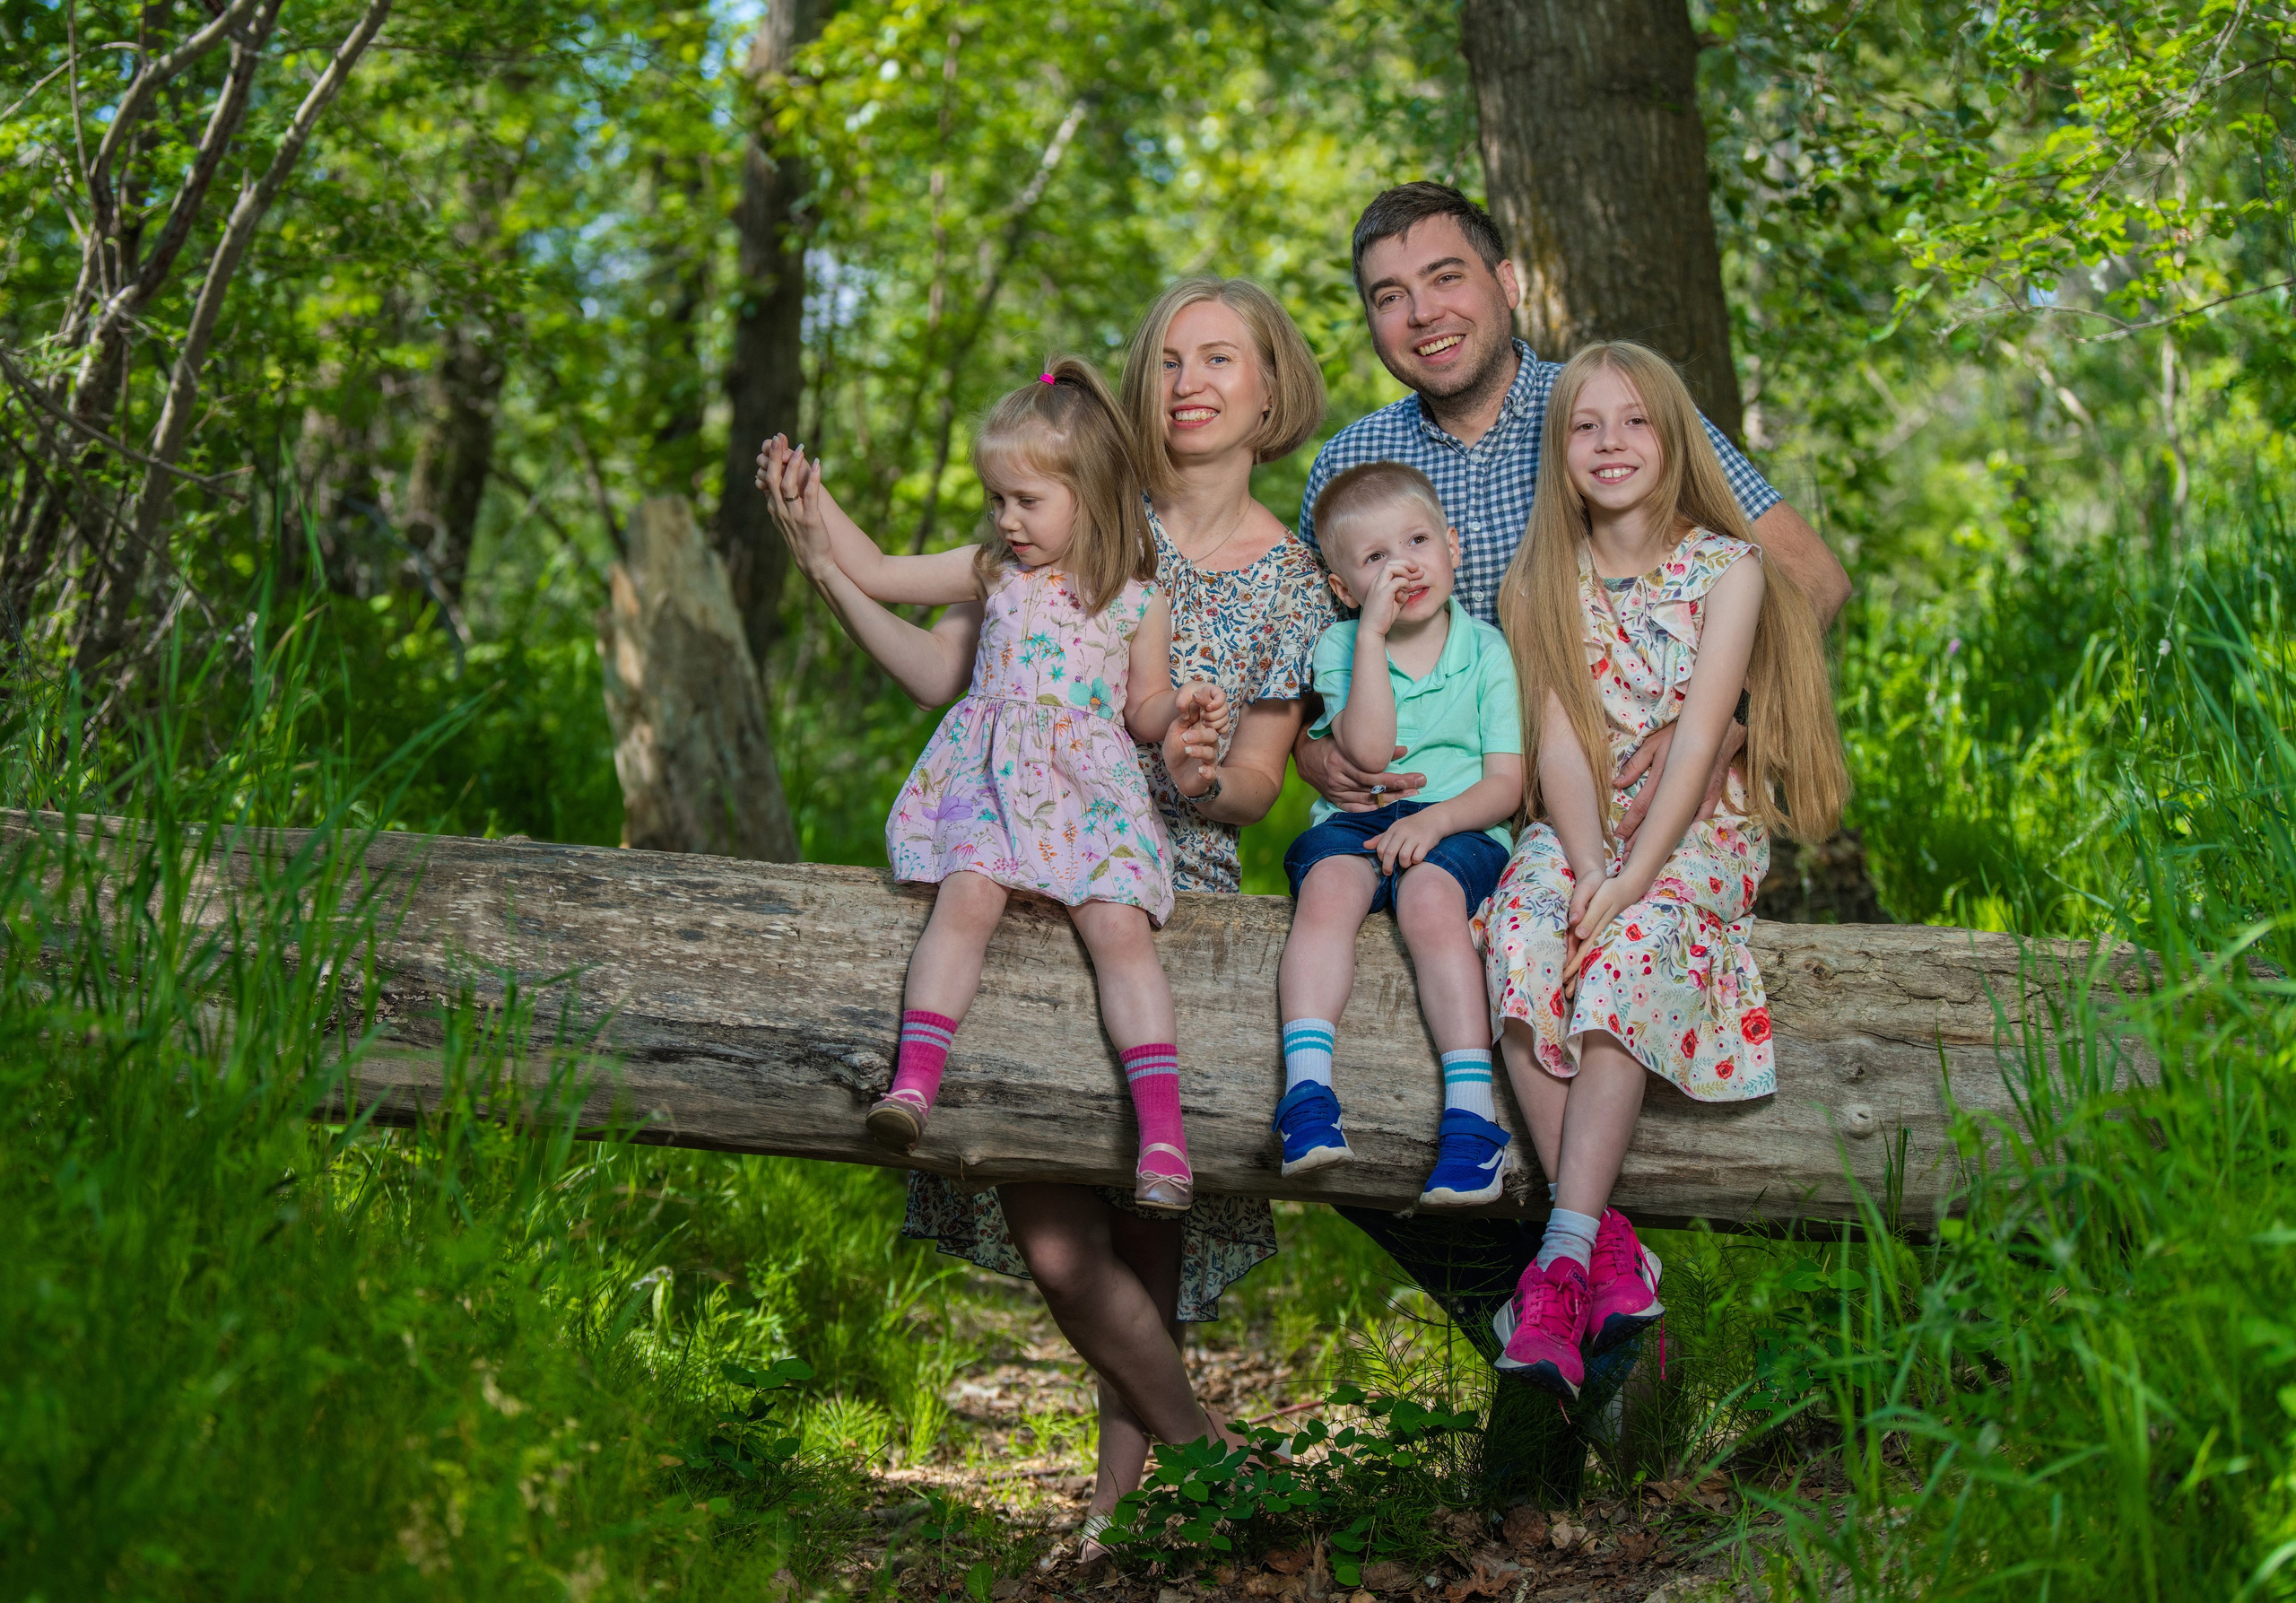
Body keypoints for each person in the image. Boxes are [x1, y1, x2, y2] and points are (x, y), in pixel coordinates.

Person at [814, 278, 1334, 1558]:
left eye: (1221, 358)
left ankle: (1118, 1508)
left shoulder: (1290, 579)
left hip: (1163, 888)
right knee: (1056, 1240)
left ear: (1272, 387)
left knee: (1146, 1234)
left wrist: (1199, 764)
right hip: (1004, 862)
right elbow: (947, 661)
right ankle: (1207, 1459)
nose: (1190, 383)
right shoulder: (1066, 492)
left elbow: (1256, 782)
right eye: (1170, 359)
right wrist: (823, 546)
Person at [756, 359, 1231, 1213]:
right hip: (994, 780)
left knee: (1120, 927)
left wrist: (1185, 707)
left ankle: (1164, 1135)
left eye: (1026, 500)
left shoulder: (1137, 600)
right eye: (997, 499)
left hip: (1090, 793)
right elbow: (879, 569)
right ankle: (913, 1083)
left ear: (1092, 494)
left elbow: (1144, 707)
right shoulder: (992, 572)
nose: (1007, 519)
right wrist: (812, 502)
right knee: (968, 892)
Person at [1477, 341, 1849, 1401]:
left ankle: (1554, 1258)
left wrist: (1631, 880)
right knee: (1522, 928)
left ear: (1675, 437)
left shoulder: (1728, 569)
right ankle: (1599, 1250)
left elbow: (1695, 746)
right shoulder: (1537, 577)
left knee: (1630, 944)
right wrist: (1587, 865)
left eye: (1634, 420)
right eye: (1585, 425)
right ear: (1559, 448)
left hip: (1697, 831)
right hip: (1579, 822)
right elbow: (1558, 741)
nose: (1610, 443)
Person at [1293, 182, 1850, 835]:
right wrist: (1310, 750)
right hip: (1421, 823)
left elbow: (1814, 577)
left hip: (1613, 813)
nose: (1422, 313)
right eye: (1390, 296)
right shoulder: (1350, 464)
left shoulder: (1612, 414)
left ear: (1508, 283)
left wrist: (1726, 721)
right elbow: (1303, 667)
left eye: (1446, 277)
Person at [1269, 461, 1524, 1207]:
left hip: (1458, 821)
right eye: (1376, 557)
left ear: (1453, 547)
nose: (1402, 566)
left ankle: (1472, 1118)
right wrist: (1373, 637)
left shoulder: (1488, 651)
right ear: (1346, 588)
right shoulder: (1341, 645)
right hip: (1359, 817)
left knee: (1430, 901)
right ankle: (1306, 1093)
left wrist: (1435, 820)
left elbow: (1505, 785)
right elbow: (1370, 752)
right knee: (1327, 890)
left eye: (1417, 541)